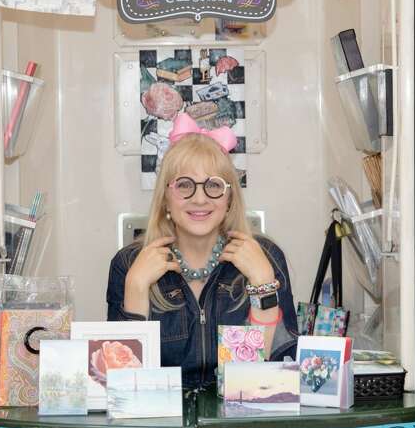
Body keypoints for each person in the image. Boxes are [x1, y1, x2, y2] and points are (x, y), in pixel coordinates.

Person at [106, 115, 297, 389]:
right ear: (165, 200)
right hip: (162, 425)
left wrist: (264, 287)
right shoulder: (128, 263)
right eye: (184, 185)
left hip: (238, 418)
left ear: (229, 199)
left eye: (214, 185)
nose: (199, 198)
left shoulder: (265, 256)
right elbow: (122, 385)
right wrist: (135, 289)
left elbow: (279, 372)